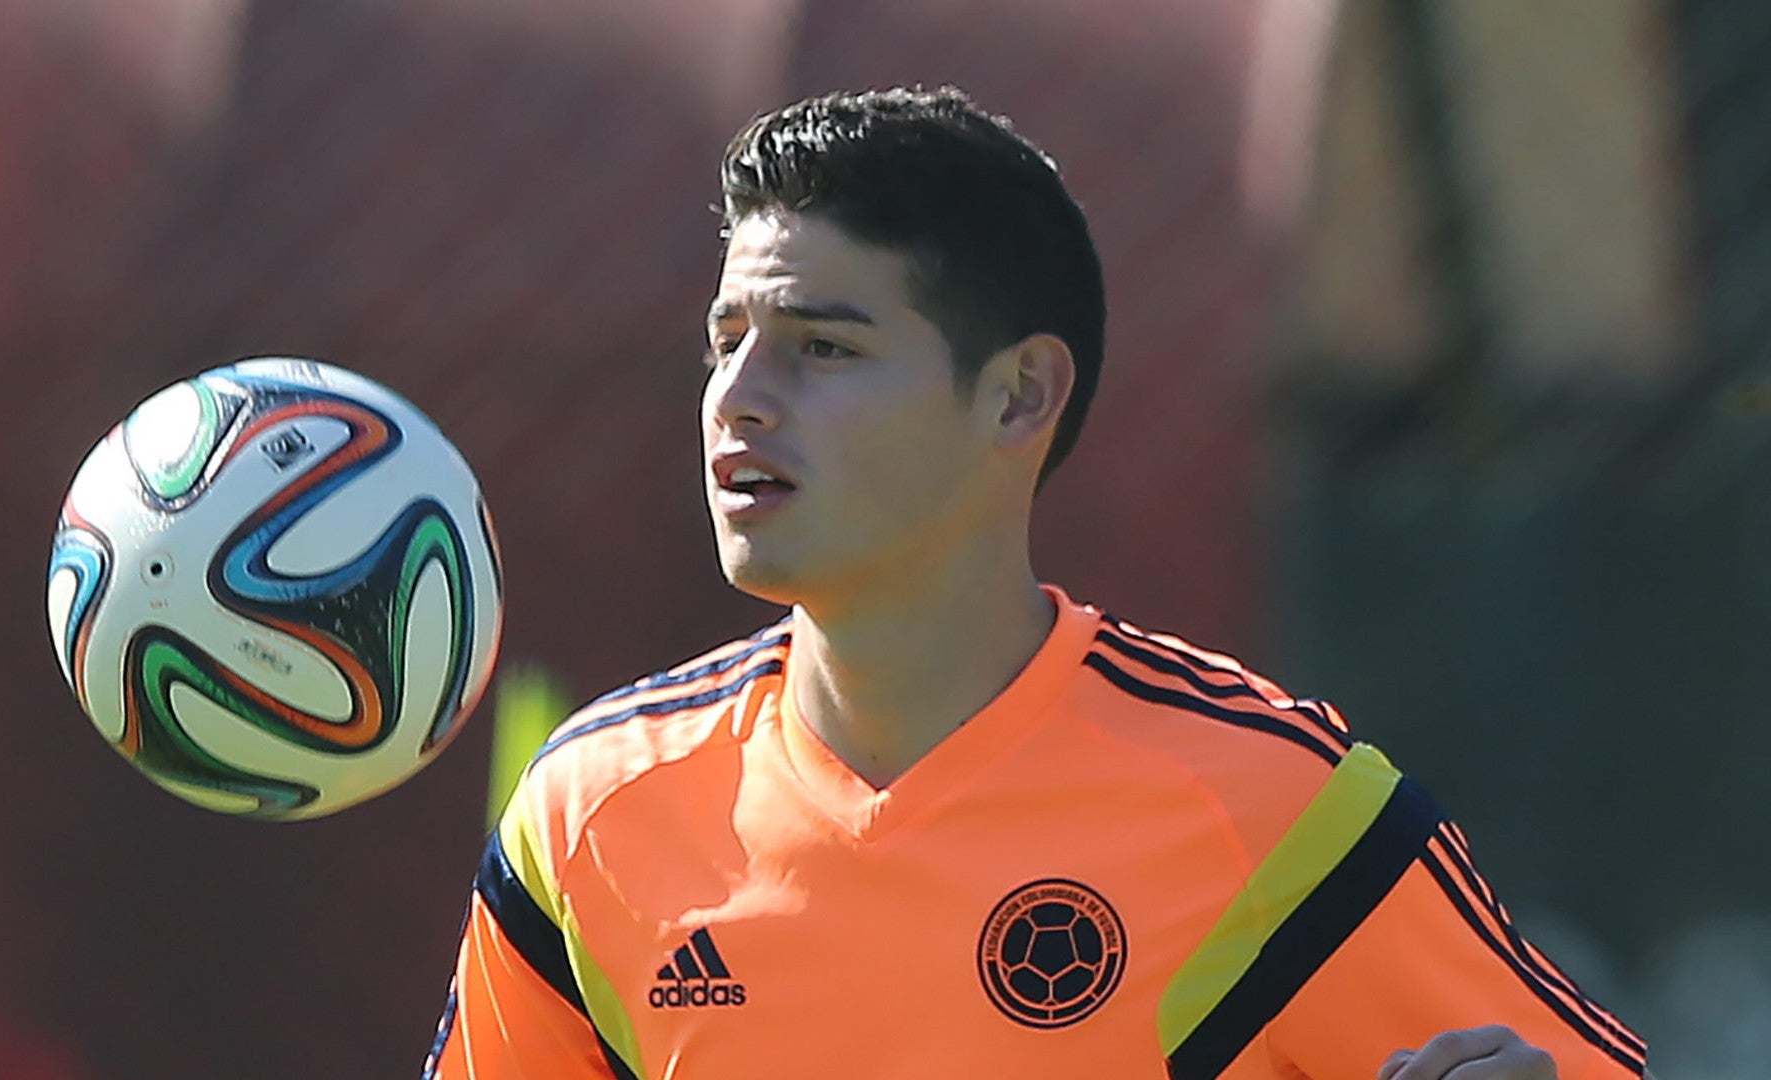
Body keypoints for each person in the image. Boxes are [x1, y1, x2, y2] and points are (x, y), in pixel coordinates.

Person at [423, 86, 1650, 1079]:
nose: (739, 399)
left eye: (823, 348)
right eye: (725, 342)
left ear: (1019, 395)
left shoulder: (1274, 810)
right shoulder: (590, 812)